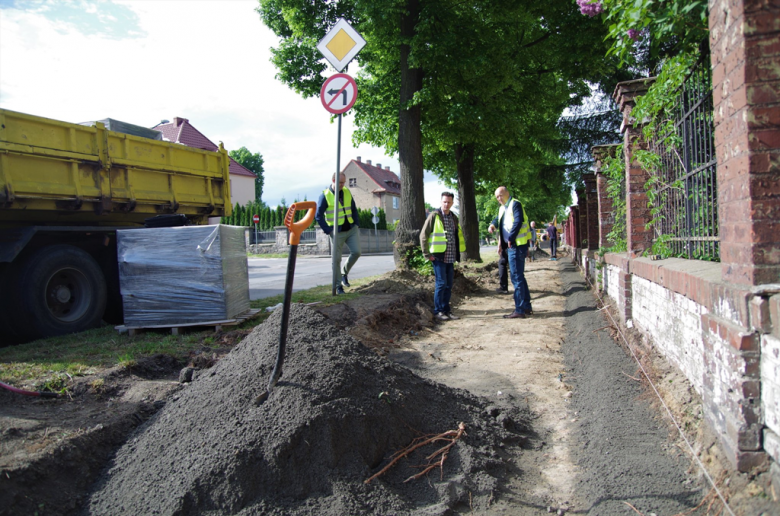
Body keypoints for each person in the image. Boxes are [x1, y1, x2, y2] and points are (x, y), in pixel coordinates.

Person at [420, 192, 465, 321]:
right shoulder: (434, 216)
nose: (446, 204)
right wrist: (427, 254)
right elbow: (423, 235)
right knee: (441, 283)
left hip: (450, 257)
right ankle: (438, 311)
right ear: (441, 202)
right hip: (438, 257)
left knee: (449, 285)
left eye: (449, 202)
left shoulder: (454, 218)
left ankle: (446, 310)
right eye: (444, 202)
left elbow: (456, 236)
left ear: (452, 203)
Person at [489, 186, 532, 319]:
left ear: (507, 193)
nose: (499, 199)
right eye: (497, 197)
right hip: (511, 245)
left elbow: (518, 222)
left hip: (517, 245)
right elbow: (499, 220)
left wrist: (510, 238)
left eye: (500, 195)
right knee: (519, 277)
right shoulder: (503, 208)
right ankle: (526, 307)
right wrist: (492, 224)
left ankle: (519, 309)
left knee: (516, 277)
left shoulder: (515, 204)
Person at [315, 173, 361, 294]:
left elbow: (353, 208)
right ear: (333, 180)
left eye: (344, 182)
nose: (342, 185)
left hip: (351, 229)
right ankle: (338, 286)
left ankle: (344, 273)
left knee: (357, 252)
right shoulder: (324, 196)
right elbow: (318, 216)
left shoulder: (346, 191)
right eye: (340, 183)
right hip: (336, 232)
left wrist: (356, 223)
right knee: (336, 260)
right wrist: (328, 230)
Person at [487, 215, 509, 294]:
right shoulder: (505, 210)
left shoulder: (508, 210)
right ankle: (517, 290)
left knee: (505, 264)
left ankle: (504, 288)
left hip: (511, 244)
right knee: (503, 263)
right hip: (511, 244)